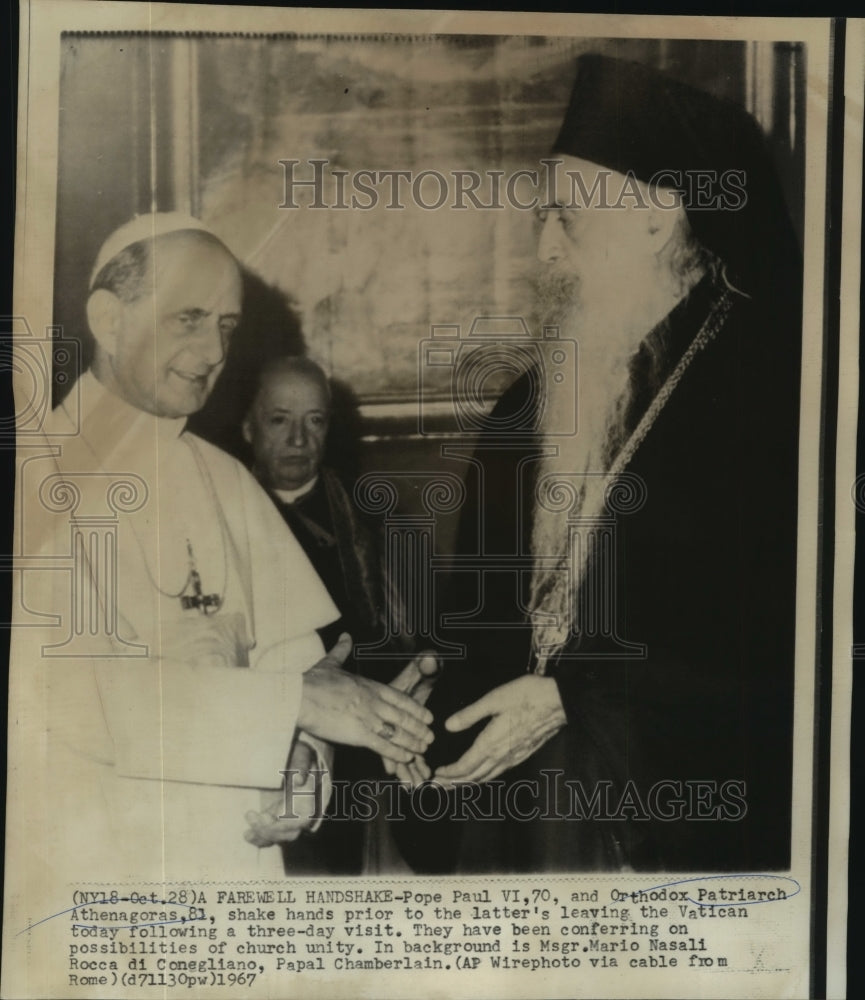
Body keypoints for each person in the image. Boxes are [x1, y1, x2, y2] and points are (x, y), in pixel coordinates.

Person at [407, 54, 802, 873]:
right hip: (526, 820)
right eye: (540, 221)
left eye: (566, 219)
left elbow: (785, 644)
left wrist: (571, 700)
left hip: (676, 824)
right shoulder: (525, 404)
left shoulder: (776, 388)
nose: (544, 251)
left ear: (657, 217)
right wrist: (424, 697)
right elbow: (473, 620)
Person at [12, 212, 434, 887]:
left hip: (237, 868)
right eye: (189, 318)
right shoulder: (30, 476)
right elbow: (52, 703)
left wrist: (304, 764)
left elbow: (304, 674)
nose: (212, 352)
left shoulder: (228, 480)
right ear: (108, 318)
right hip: (88, 873)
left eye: (226, 327)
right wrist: (289, 709)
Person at [242, 354, 435, 871]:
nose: (299, 439)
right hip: (248, 742)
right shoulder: (217, 514)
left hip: (354, 761)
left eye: (315, 421)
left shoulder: (372, 526)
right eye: (280, 419)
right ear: (248, 424)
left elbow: (406, 643)